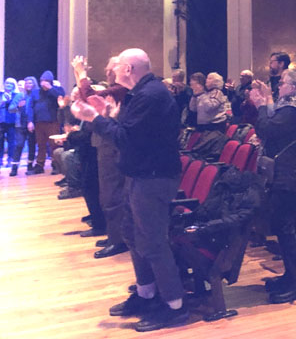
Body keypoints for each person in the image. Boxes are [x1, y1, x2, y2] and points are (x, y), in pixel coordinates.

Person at [71, 48, 187, 331]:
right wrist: (106, 115)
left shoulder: (151, 96)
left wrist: (93, 119)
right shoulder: (141, 94)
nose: (114, 70)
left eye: (119, 65)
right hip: (139, 174)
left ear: (130, 69)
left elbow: (126, 139)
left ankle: (174, 305)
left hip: (153, 177)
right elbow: (128, 132)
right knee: (133, 236)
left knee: (153, 242)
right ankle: (146, 294)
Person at [250, 70, 296, 304]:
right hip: (286, 168)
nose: (279, 85)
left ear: (293, 88)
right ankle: (291, 275)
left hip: (288, 171)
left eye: (283, 83)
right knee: (283, 223)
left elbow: (267, 129)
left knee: (284, 224)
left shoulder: (292, 109)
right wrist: (266, 101)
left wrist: (261, 104)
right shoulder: (289, 106)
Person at [73, 55, 130, 258]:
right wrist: (77, 73)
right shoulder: (114, 89)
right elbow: (85, 97)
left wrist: (81, 73)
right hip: (105, 144)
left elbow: (89, 97)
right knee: (107, 193)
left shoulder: (121, 89)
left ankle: (119, 240)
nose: (107, 71)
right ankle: (114, 234)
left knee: (112, 194)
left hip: (113, 146)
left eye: (111, 68)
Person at [25, 70, 65, 175]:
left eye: (46, 80)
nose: (43, 82)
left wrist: (50, 89)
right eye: (42, 80)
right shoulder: (35, 92)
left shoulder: (57, 90)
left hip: (53, 122)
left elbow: (61, 98)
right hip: (39, 122)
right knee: (40, 145)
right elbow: (31, 108)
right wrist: (30, 121)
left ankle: (56, 165)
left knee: (54, 145)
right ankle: (39, 165)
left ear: (51, 81)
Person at [1, 77, 22, 173]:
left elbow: (16, 108)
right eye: (6, 83)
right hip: (1, 121)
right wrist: (3, 101)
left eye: (10, 84)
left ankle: (10, 159)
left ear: (13, 86)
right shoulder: (1, 94)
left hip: (12, 122)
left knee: (11, 141)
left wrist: (10, 101)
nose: (8, 85)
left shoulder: (17, 95)